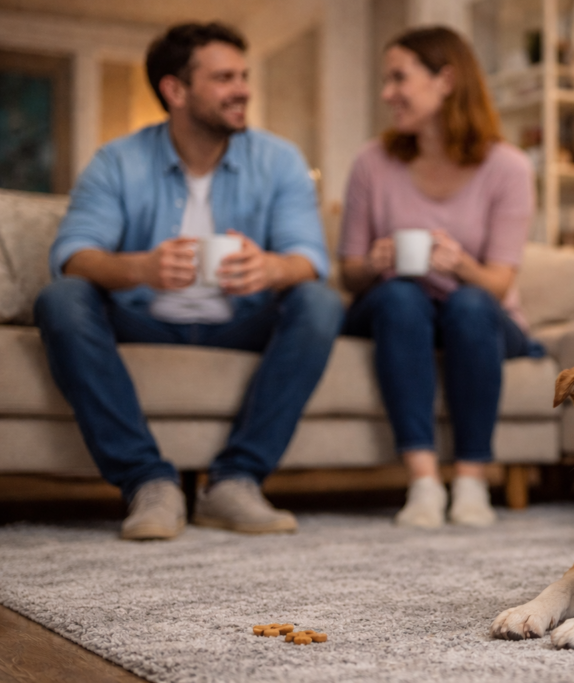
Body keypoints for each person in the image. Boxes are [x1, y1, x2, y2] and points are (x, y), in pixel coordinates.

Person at [34, 22, 343, 541]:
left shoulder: (280, 160)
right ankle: (148, 482)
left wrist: (272, 268)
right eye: (224, 78)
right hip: (143, 319)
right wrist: (140, 268)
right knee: (61, 299)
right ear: (175, 91)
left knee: (319, 302)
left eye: (243, 76)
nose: (243, 89)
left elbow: (309, 258)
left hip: (242, 322)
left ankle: (235, 481)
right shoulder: (117, 161)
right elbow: (72, 255)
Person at [339, 26, 543, 529]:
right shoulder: (371, 163)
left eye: (398, 78)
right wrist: (375, 262)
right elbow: (349, 274)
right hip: (396, 311)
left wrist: (459, 265)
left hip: (475, 312)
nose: (387, 93)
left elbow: (497, 284)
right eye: (386, 80)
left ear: (446, 80)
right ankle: (424, 482)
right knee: (400, 296)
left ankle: (472, 480)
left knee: (469, 304)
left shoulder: (508, 167)